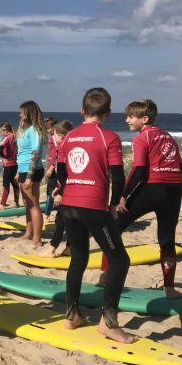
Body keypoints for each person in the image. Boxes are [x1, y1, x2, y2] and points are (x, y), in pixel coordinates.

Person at [57, 87, 133, 344]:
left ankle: (71, 315)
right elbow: (119, 177)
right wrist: (113, 204)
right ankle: (108, 323)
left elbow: (60, 172)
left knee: (78, 258)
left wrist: (67, 190)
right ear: (108, 113)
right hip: (93, 207)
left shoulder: (69, 137)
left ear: (82, 111)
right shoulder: (109, 137)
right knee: (120, 260)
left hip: (69, 205)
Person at [99, 99, 182, 299]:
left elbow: (139, 170)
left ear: (144, 119)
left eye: (131, 116)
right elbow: (181, 168)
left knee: (114, 226)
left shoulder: (141, 139)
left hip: (152, 188)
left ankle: (105, 275)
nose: (127, 120)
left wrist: (124, 197)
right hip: (174, 190)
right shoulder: (168, 136)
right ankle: (169, 289)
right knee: (166, 239)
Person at [16, 101, 48, 246]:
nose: (20, 114)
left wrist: (29, 177)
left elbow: (35, 153)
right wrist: (18, 171)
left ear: (29, 113)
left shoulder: (35, 130)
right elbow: (22, 152)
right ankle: (29, 233)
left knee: (33, 204)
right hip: (23, 169)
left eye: (22, 112)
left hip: (32, 170)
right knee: (27, 203)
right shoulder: (25, 129)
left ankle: (37, 238)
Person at [40, 120, 73, 258]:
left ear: (62, 135)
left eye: (55, 135)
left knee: (60, 219)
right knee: (70, 220)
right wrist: (59, 189)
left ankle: (52, 249)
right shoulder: (66, 148)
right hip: (66, 188)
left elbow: (69, 174)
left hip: (69, 191)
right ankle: (69, 248)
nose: (53, 138)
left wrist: (61, 192)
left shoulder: (65, 150)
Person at [0, 122, 19, 208]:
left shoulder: (7, 138)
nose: (1, 134)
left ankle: (2, 204)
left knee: (6, 184)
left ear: (5, 130)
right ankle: (16, 202)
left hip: (8, 165)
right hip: (15, 164)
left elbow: (0, 149)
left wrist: (3, 158)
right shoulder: (15, 137)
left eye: (1, 132)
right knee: (15, 184)